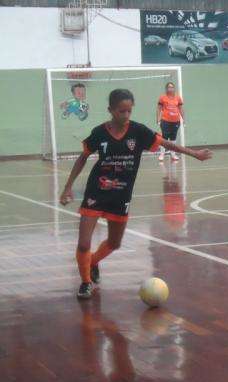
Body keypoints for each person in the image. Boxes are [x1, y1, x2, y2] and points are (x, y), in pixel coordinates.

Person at [59, 88, 211, 299]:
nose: (126, 115)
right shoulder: (99, 133)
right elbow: (83, 157)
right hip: (96, 191)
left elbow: (167, 144)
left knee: (114, 243)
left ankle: (93, 262)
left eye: (129, 111)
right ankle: (85, 282)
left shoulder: (139, 132)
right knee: (83, 242)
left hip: (121, 196)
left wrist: (194, 154)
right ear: (110, 110)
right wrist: (68, 187)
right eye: (121, 111)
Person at [156, 81, 185, 164]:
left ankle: (173, 154)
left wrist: (183, 120)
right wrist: (158, 119)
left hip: (176, 121)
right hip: (165, 121)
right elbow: (158, 108)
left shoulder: (178, 98)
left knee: (173, 138)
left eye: (172, 87)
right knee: (164, 138)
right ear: (166, 89)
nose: (170, 88)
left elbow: (181, 109)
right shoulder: (162, 98)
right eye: (169, 87)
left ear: (174, 88)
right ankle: (162, 154)